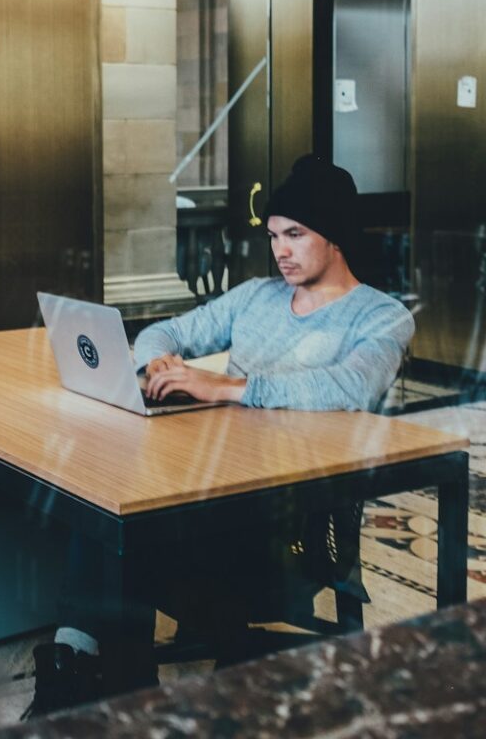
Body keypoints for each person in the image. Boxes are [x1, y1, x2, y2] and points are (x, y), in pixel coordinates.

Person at [25, 154, 415, 719]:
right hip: (213, 484)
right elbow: (167, 329)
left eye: (296, 234)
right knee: (108, 506)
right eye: (274, 234)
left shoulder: (382, 317)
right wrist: (160, 362)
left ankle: (102, 682)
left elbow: (350, 386)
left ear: (334, 237)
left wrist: (225, 387)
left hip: (288, 521)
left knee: (122, 534)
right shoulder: (258, 296)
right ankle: (93, 675)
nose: (280, 249)